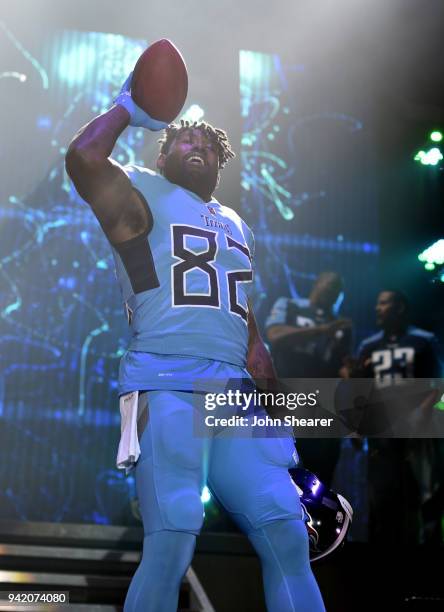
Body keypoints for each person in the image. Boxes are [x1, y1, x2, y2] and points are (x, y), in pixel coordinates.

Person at [65, 73, 325, 611]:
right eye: (186, 138)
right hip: (167, 380)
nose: (198, 144)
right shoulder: (140, 193)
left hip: (235, 396)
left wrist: (269, 390)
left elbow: (240, 315)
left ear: (223, 163)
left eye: (208, 144)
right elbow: (85, 156)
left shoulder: (235, 223)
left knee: (288, 534)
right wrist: (128, 107)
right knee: (176, 530)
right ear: (162, 154)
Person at [347, 289, 442, 544]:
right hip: (383, 433)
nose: (378, 308)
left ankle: (428, 557)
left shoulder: (423, 340)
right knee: (381, 493)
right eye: (377, 303)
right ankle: (382, 560)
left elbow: (438, 383)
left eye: (384, 303)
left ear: (399, 307)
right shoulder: (369, 345)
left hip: (417, 433)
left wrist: (421, 413)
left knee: (423, 493)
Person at [265, 272, 352, 486]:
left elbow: (342, 367)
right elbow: (274, 335)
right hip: (286, 398)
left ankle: (314, 518)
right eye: (330, 285)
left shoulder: (341, 324)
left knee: (320, 477)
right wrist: (321, 330)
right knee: (280, 471)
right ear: (318, 282)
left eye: (338, 289)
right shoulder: (290, 304)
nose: (333, 292)